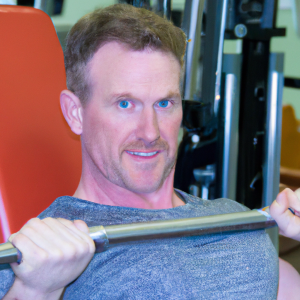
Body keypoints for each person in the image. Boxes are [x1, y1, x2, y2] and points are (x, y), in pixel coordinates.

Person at [0, 4, 282, 299]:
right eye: (125, 104)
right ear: (75, 113)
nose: (151, 133)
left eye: (164, 104)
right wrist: (35, 290)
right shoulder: (42, 256)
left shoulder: (233, 217)